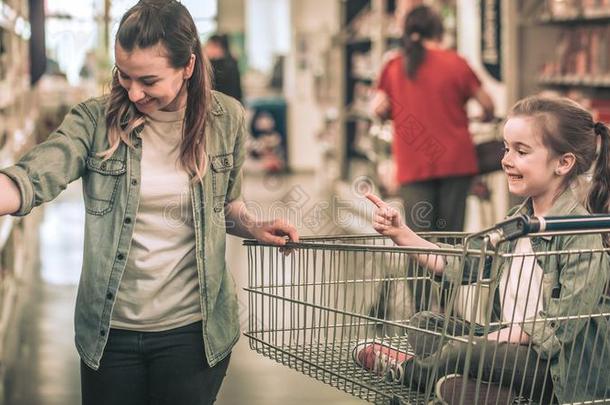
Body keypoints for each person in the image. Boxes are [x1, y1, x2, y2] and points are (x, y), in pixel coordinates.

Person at [0, 1, 298, 404]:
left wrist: (253, 225)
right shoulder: (95, 120)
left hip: (193, 334)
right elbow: (36, 174)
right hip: (111, 334)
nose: (133, 92)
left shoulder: (227, 118)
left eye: (149, 80)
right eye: (124, 76)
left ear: (188, 67)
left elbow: (225, 206)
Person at [361, 96, 610, 404]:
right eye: (506, 148)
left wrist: (482, 342)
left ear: (563, 162)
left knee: (463, 350)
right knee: (425, 323)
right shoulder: (516, 223)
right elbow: (463, 264)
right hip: (508, 348)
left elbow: (558, 328)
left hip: (556, 369)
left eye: (521, 151)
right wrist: (403, 234)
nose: (506, 160)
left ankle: (413, 373)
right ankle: (481, 390)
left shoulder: (580, 233)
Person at [371, 5, 494, 233]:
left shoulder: (394, 65)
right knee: (451, 238)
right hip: (456, 162)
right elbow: (487, 104)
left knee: (418, 240)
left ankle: (422, 270)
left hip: (414, 162)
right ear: (439, 31)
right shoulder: (456, 62)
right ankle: (451, 270)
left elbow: (377, 107)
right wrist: (484, 117)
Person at [204, 34, 243, 103]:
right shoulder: (230, 62)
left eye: (211, 46)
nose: (207, 49)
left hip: (227, 106)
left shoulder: (225, 66)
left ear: (220, 48)